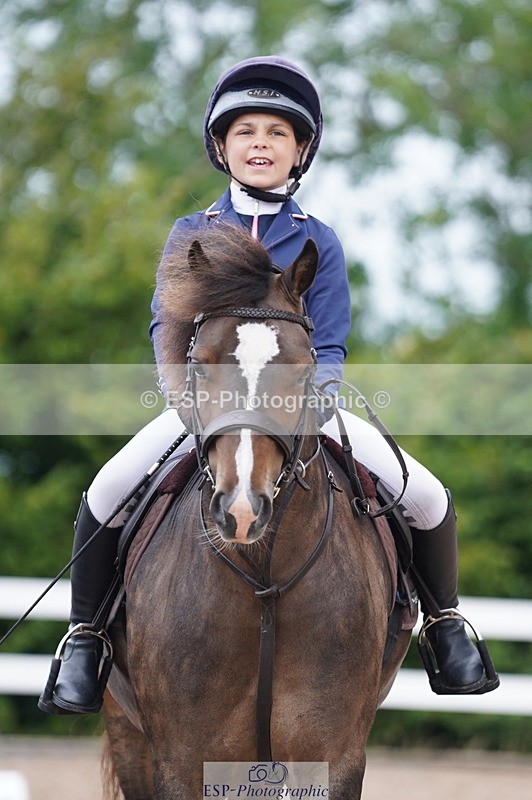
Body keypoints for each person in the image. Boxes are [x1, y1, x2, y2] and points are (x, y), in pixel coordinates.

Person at [38, 56, 497, 716]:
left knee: (425, 496)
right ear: (222, 147)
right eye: (246, 130)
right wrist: (185, 397)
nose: (261, 143)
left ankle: (446, 626)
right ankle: (84, 640)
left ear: (300, 151)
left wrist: (314, 398)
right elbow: (168, 330)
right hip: (209, 406)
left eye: (278, 132)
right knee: (108, 488)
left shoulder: (321, 242)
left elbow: (330, 343)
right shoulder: (191, 233)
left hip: (298, 406)